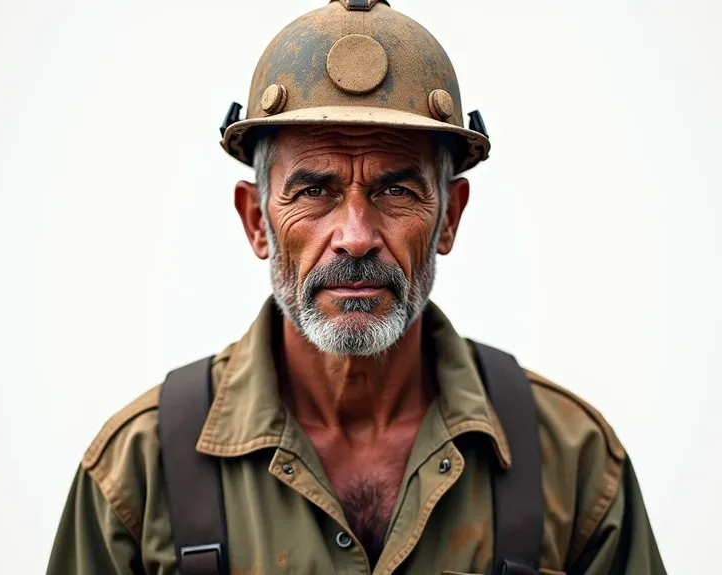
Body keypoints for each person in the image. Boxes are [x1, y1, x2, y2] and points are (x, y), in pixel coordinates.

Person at [47, 1, 667, 573]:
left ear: (449, 216)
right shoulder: (137, 474)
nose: (355, 236)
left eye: (396, 190)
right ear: (257, 220)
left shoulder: (574, 464)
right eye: (314, 190)